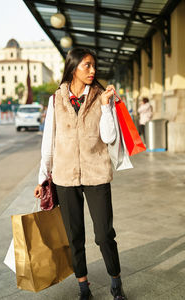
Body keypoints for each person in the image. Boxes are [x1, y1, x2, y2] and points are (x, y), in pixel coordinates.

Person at [34, 48, 126, 300]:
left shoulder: (100, 96)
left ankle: (116, 282)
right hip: (65, 176)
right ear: (73, 67)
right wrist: (43, 177)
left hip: (96, 173)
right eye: (87, 65)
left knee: (104, 234)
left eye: (94, 66)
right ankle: (83, 287)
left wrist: (106, 108)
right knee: (74, 236)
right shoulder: (56, 99)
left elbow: (109, 137)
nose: (93, 70)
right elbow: (48, 141)